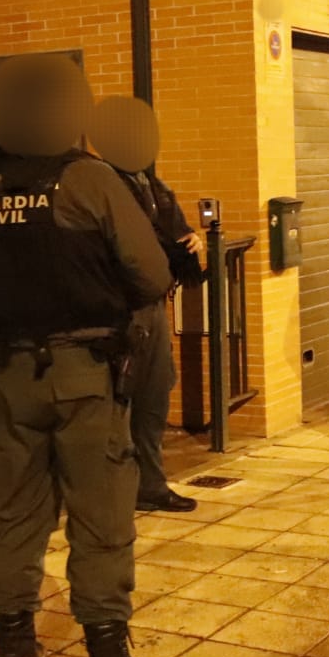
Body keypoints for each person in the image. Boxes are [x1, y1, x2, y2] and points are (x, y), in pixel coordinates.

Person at [0, 54, 180, 657]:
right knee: (101, 512)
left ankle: (15, 651)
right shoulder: (88, 180)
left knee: (12, 513)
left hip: (5, 375)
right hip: (83, 372)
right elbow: (151, 274)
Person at [88, 95, 201, 514]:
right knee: (120, 399)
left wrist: (191, 241)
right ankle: (119, 486)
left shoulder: (149, 182)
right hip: (123, 308)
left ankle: (148, 484)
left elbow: (174, 229)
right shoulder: (101, 182)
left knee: (154, 394)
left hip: (152, 304)